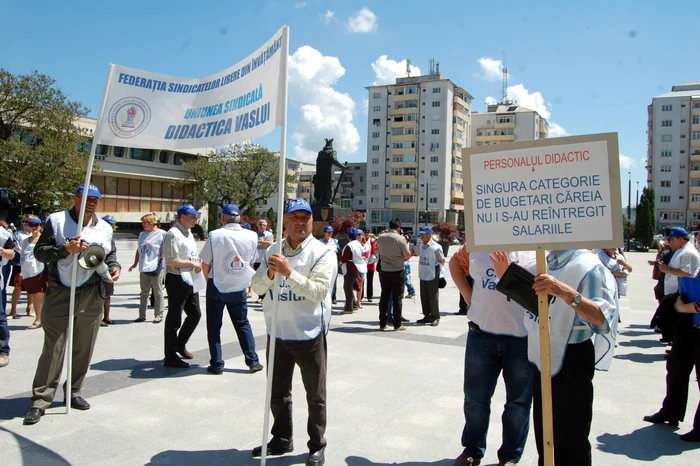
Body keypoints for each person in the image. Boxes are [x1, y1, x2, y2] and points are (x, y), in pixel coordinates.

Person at [491, 249, 618, 466]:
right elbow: (542, 306)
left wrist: (568, 294)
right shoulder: (548, 260)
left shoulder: (590, 266)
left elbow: (602, 319)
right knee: (546, 435)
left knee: (571, 438)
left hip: (572, 358)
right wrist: (509, 277)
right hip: (543, 352)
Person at [23, 184, 121, 425]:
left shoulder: (105, 227)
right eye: (86, 198)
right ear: (76, 198)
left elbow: (110, 254)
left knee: (84, 346)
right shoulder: (56, 221)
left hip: (91, 292)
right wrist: (65, 248)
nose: (91, 203)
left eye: (95, 200)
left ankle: (74, 390)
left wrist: (115, 266)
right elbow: (40, 252)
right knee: (54, 346)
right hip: (60, 291)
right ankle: (41, 399)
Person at [251, 197, 336, 466]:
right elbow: (257, 285)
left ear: (312, 221)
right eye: (295, 217)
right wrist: (271, 275)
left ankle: (316, 444)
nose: (301, 222)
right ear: (285, 222)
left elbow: (318, 292)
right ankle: (282, 438)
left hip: (308, 334)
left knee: (315, 394)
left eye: (305, 217)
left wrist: (288, 273)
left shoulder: (323, 253)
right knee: (277, 391)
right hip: (277, 332)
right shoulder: (273, 250)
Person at [453, 250, 536, 466]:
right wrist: (467, 293)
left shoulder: (534, 245)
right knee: (475, 400)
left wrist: (508, 274)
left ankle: (510, 457)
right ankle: (472, 450)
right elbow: (454, 263)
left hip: (522, 339)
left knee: (518, 404)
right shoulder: (478, 242)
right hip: (482, 336)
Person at [199, 204, 263, 375]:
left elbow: (205, 263)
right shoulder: (251, 236)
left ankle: (217, 363)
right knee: (242, 323)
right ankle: (253, 360)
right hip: (238, 284)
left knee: (214, 326)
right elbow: (250, 263)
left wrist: (208, 281)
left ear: (222, 218)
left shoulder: (215, 235)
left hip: (217, 283)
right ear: (239, 218)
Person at [162, 204, 204, 369]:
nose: (195, 219)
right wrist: (191, 263)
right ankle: (170, 355)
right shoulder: (173, 234)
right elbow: (171, 260)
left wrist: (197, 263)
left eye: (196, 216)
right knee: (174, 319)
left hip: (190, 278)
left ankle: (180, 343)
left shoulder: (188, 233)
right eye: (192, 216)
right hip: (177, 278)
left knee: (195, 314)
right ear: (182, 217)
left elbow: (190, 255)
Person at [128, 213, 166, 323]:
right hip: (144, 266)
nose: (143, 225)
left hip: (156, 266)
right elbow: (139, 249)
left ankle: (158, 315)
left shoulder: (162, 234)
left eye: (144, 222)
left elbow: (166, 249)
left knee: (157, 292)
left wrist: (161, 259)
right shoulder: (142, 235)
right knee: (144, 292)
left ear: (152, 222)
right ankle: (141, 315)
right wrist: (135, 263)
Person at [376, 218, 412, 331]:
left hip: (385, 271)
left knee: (384, 297)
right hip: (397, 271)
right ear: (398, 227)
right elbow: (406, 255)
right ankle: (397, 324)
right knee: (397, 298)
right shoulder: (401, 239)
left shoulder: (381, 237)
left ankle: (382, 323)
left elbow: (377, 251)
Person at [16, 216, 47, 330]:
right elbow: (23, 256)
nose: (34, 227)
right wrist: (21, 270)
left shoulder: (43, 240)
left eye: (36, 225)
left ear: (40, 226)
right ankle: (39, 317)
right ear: (28, 226)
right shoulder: (25, 241)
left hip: (39, 270)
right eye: (31, 225)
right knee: (33, 295)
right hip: (27, 272)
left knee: (39, 295)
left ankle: (39, 319)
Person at [416, 226, 445, 327]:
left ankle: (435, 316)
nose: (421, 236)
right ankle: (427, 315)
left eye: (423, 234)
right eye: (421, 234)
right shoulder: (421, 246)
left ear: (429, 235)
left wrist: (441, 274)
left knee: (433, 296)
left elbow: (442, 260)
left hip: (433, 274)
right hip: (423, 274)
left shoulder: (436, 247)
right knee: (424, 296)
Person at [9, 213, 34, 319]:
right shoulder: (18, 234)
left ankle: (30, 308)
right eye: (23, 222)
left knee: (31, 288)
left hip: (33, 265)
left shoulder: (38, 235)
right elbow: (16, 247)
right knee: (18, 287)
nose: (25, 224)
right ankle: (13, 311)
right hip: (20, 263)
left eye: (27, 222)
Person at [0, 224, 17, 368]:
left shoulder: (2, 233)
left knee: (0, 317)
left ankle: (3, 351)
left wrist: (0, 250)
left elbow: (11, 254)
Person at [340, 228, 366, 314]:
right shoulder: (358, 244)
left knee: (347, 288)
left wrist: (339, 263)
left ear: (348, 236)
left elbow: (344, 258)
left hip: (350, 268)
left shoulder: (349, 245)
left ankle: (349, 308)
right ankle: (354, 304)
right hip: (357, 267)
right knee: (351, 287)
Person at [100, 215, 118, 326]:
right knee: (98, 295)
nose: (112, 226)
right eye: (109, 224)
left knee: (107, 294)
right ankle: (98, 318)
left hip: (108, 270)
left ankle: (106, 317)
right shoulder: (97, 236)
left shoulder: (110, 237)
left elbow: (112, 254)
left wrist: (114, 266)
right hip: (96, 270)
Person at [449, 242, 473, 316]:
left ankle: (464, 308)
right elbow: (455, 263)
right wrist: (472, 302)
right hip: (482, 317)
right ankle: (464, 308)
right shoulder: (474, 243)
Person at [253, 218, 273, 304]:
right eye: (260, 224)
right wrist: (264, 242)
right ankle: (260, 297)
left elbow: (270, 243)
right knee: (259, 279)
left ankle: (266, 296)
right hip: (256, 259)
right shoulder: (253, 234)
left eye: (264, 225)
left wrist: (259, 242)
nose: (262, 226)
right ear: (257, 225)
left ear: (266, 226)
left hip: (265, 259)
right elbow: (253, 243)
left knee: (267, 278)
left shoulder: (269, 234)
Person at [319, 225, 339, 305]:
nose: (330, 234)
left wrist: (336, 251)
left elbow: (338, 250)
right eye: (328, 232)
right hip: (324, 264)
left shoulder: (335, 241)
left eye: (331, 232)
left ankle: (333, 297)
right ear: (324, 232)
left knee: (333, 281)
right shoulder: (319, 242)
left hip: (333, 264)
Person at [362, 228, 377, 302]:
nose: (366, 234)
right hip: (363, 263)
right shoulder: (361, 240)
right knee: (362, 280)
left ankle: (369, 296)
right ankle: (360, 296)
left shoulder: (372, 240)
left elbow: (374, 250)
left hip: (370, 263)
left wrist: (367, 252)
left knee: (370, 281)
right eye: (365, 233)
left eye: (367, 233)